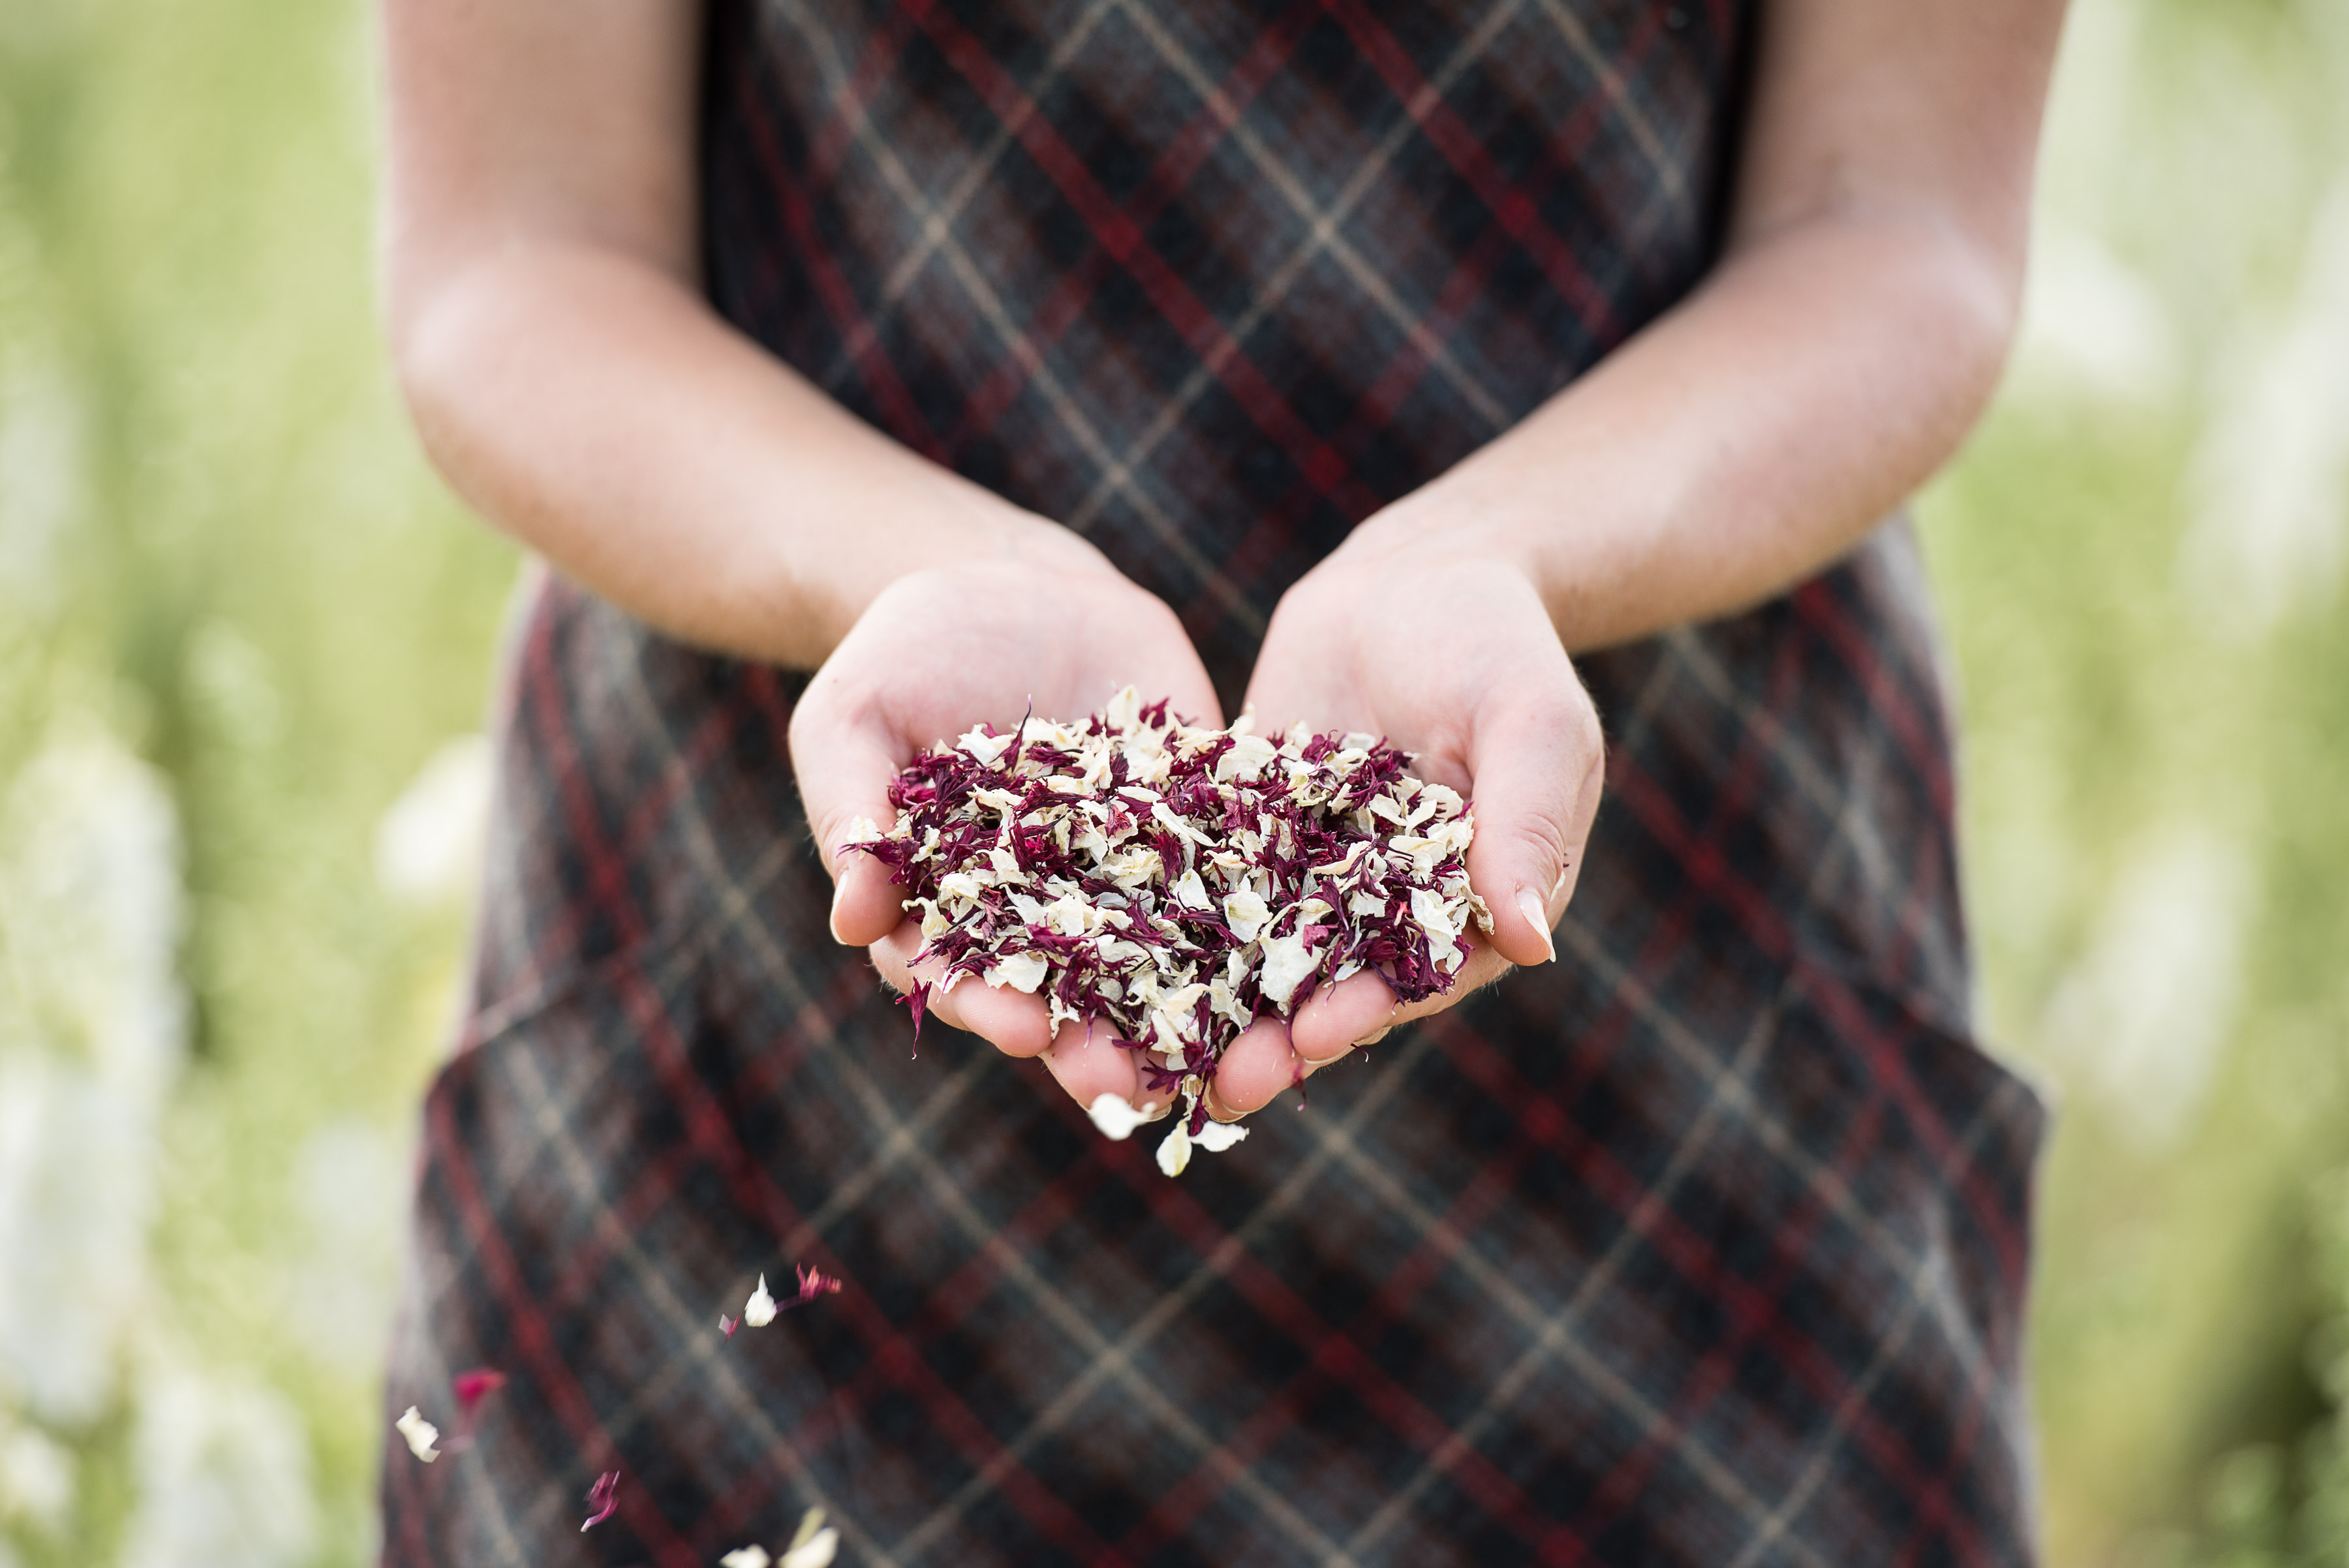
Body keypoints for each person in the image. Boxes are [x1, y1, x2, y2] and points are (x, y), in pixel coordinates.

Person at [375, 0, 2065, 1560]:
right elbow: (517, 260)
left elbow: (1895, 228)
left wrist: (1502, 552)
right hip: (761, 1004)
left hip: (1685, 1020)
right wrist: (910, 562)